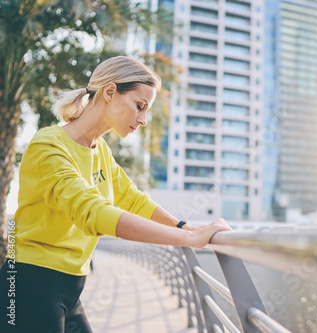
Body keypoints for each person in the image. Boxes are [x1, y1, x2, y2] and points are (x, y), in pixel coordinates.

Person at [0, 56, 231, 333]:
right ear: (110, 92)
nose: (144, 120)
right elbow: (93, 213)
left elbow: (132, 199)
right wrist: (188, 239)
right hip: (29, 284)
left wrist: (184, 226)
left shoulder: (100, 152)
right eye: (140, 106)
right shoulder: (48, 146)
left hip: (71, 289)